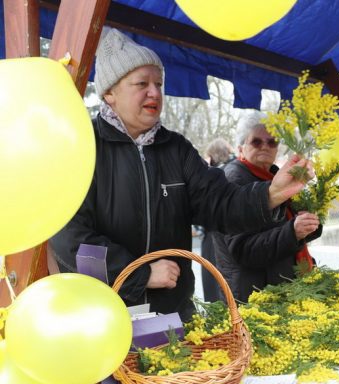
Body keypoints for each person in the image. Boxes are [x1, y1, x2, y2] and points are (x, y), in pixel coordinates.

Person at [49, 28, 311, 321]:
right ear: (110, 93)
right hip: (99, 316)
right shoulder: (82, 147)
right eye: (142, 83)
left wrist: (272, 193)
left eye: (159, 83)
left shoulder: (176, 149)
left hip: (167, 314)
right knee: (111, 368)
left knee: (168, 367)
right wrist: (140, 273)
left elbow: (220, 205)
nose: (155, 92)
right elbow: (70, 239)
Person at [211, 111, 322, 302]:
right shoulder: (232, 181)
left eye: (272, 142)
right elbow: (243, 250)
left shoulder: (275, 175)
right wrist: (292, 232)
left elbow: (291, 225)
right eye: (256, 141)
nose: (265, 146)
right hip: (253, 295)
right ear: (241, 146)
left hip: (281, 285)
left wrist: (310, 223)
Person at [197, 138, 236, 301]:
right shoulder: (237, 169)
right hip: (234, 238)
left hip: (214, 238)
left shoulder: (212, 176)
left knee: (214, 287)